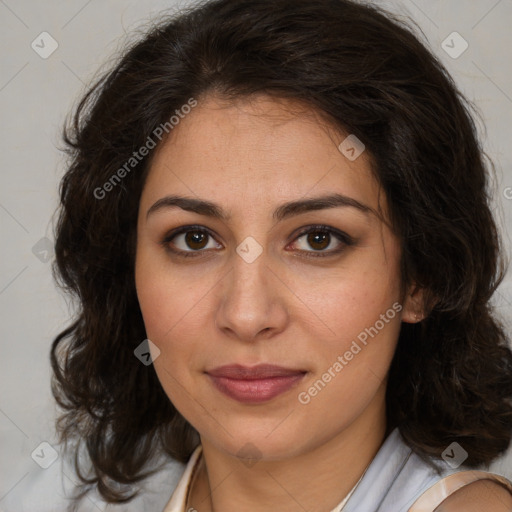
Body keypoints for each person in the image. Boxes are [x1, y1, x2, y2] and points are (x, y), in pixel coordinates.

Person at [50, 0, 512, 510]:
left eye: (318, 239)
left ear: (420, 275)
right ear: (127, 266)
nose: (247, 315)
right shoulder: (66, 496)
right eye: (194, 239)